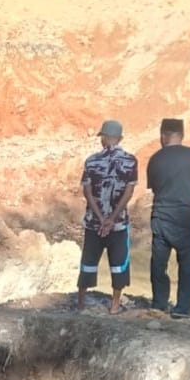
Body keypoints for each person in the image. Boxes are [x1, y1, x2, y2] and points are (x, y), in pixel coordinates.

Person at [146, 118, 190, 319]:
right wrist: (189, 192)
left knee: (158, 263)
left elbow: (155, 188)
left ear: (163, 135)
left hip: (160, 217)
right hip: (184, 218)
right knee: (189, 264)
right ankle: (182, 307)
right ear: (182, 135)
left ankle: (159, 303)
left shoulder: (155, 158)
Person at [76, 119, 138, 314]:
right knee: (119, 264)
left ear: (103, 138)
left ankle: (81, 303)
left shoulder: (91, 161)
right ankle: (114, 305)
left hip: (94, 223)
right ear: (120, 138)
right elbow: (129, 193)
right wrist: (112, 218)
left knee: (88, 261)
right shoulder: (131, 161)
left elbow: (87, 192)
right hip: (118, 224)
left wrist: (101, 218)